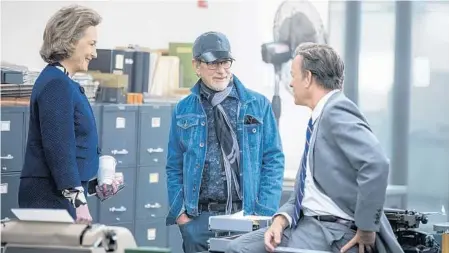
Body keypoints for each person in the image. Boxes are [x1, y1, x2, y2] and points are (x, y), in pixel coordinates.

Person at [226, 43, 404, 253]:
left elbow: (376, 164)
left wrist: (366, 227)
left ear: (308, 78)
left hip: (331, 232)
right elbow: (305, 189)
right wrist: (281, 220)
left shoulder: (336, 111)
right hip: (307, 224)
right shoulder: (319, 119)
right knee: (236, 248)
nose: (291, 83)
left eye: (293, 75)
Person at [165, 31, 285, 253]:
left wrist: (264, 212)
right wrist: (181, 216)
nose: (221, 70)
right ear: (196, 65)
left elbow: (273, 160)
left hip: (247, 216)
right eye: (213, 64)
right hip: (198, 220)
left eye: (225, 62)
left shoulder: (258, 105)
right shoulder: (183, 110)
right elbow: (174, 166)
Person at [19, 5, 119, 224]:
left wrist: (96, 184)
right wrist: (78, 202)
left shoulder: (63, 81)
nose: (94, 53)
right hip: (49, 200)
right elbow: (58, 149)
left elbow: (72, 149)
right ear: (70, 40)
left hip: (57, 196)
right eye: (91, 44)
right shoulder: (56, 83)